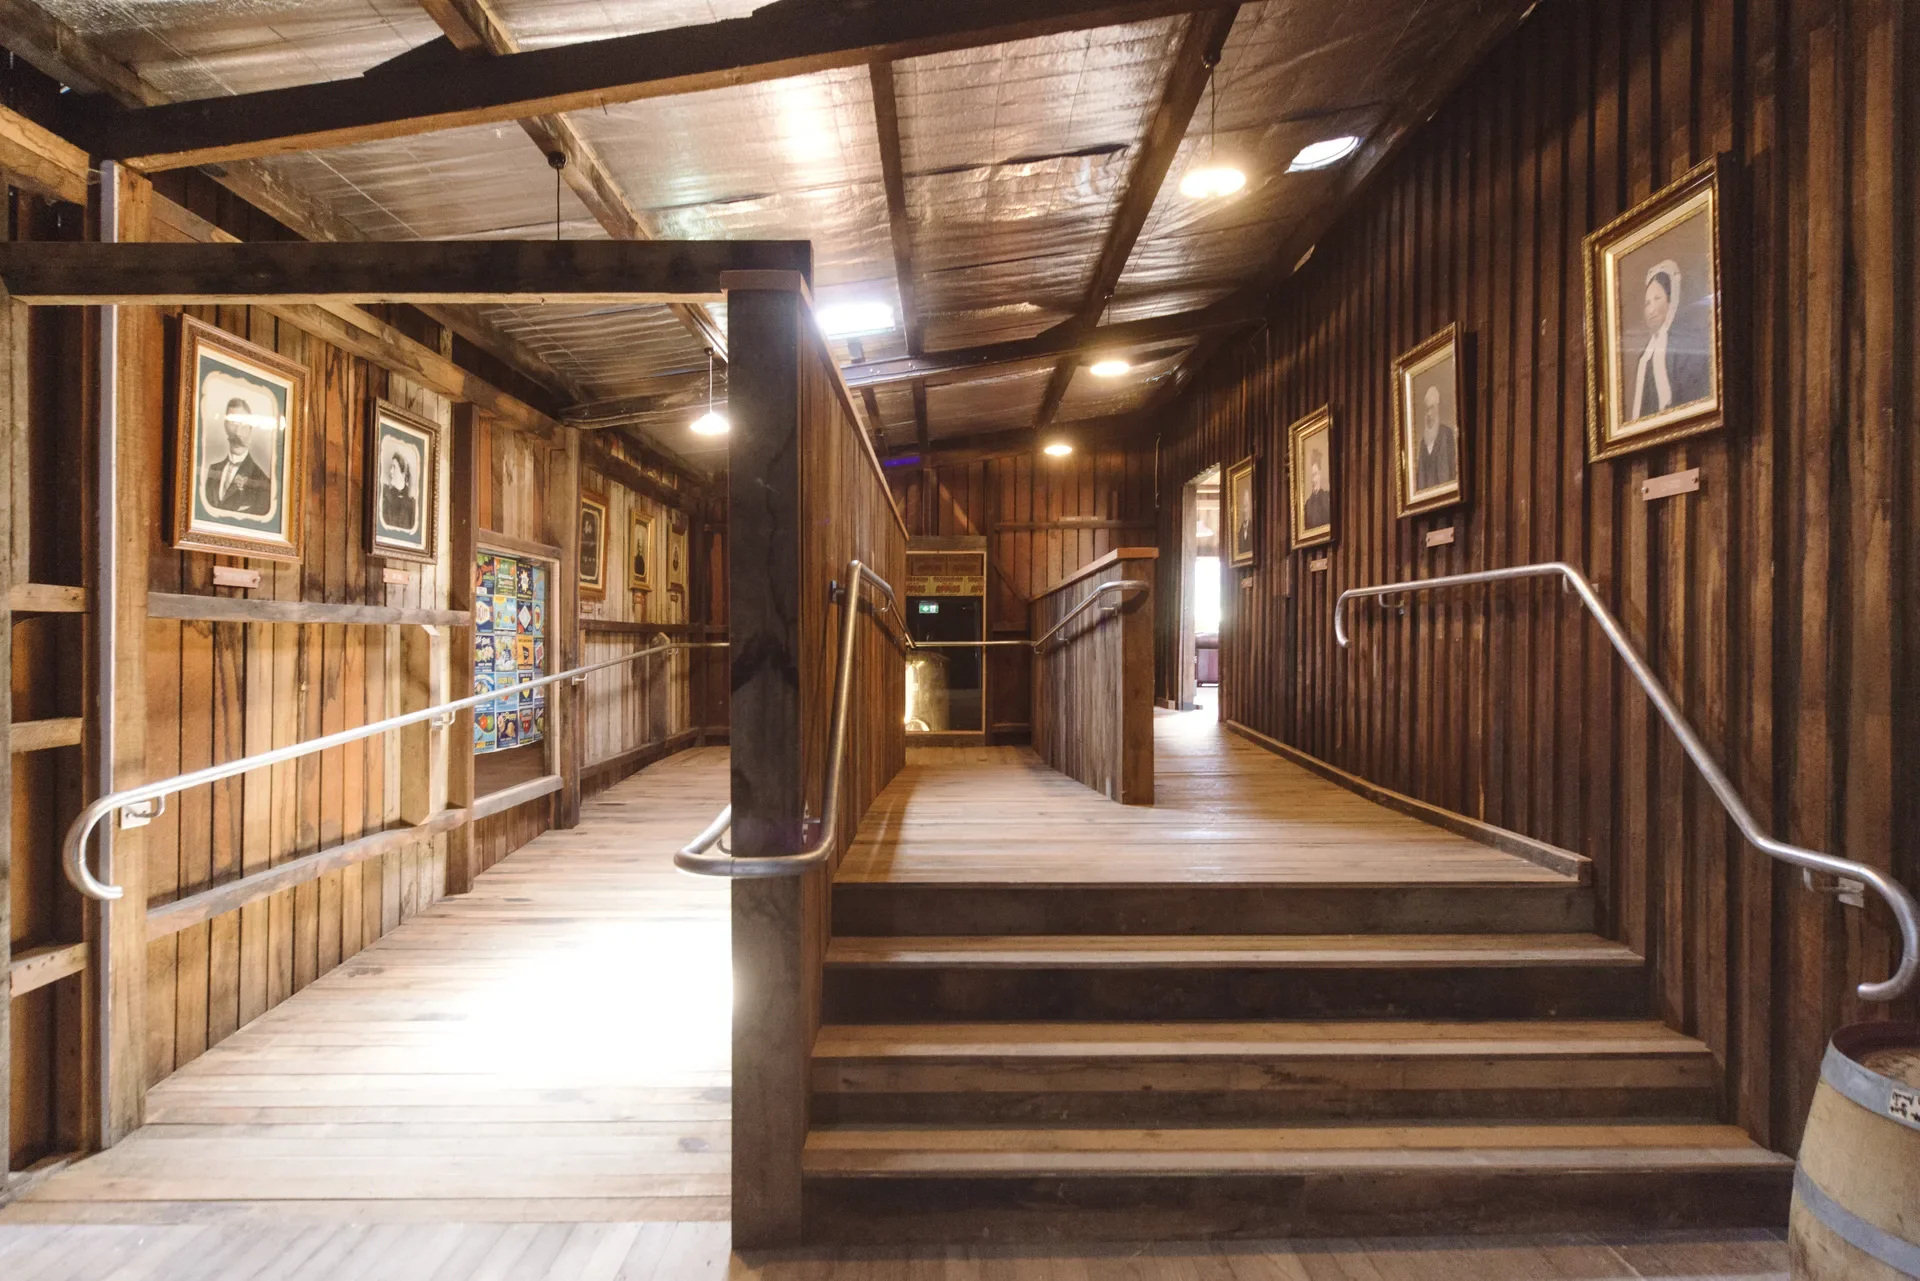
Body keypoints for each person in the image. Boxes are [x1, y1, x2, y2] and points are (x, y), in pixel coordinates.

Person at [1628, 258, 1710, 422]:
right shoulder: (1645, 357)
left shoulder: (1690, 344)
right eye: (1647, 303)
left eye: (1657, 299)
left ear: (1671, 299)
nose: (1651, 310)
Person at [202, 396, 273, 517]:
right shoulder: (213, 470)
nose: (237, 432)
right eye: (233, 423)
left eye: (244, 425)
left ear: (250, 429)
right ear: (225, 426)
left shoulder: (262, 481)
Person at [1413, 383, 1458, 493]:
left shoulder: (1447, 434)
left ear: (1437, 409)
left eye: (1432, 408)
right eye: (1427, 409)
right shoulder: (1423, 443)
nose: (1429, 414)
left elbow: (1452, 469)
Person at [380, 448, 417, 534]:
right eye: (391, 467)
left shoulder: (411, 504)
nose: (391, 471)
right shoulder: (385, 497)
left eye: (394, 467)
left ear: (403, 472)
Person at [1302, 449, 1331, 531]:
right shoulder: (1307, 504)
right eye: (1311, 476)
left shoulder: (1328, 497)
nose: (1313, 480)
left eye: (1315, 475)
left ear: (1320, 474)